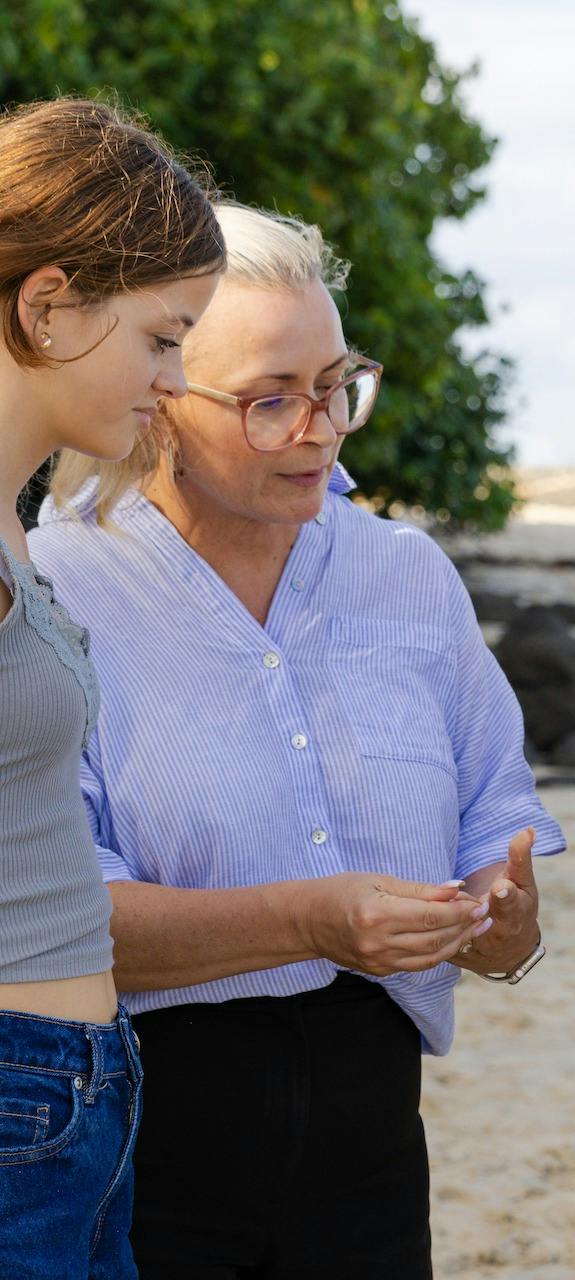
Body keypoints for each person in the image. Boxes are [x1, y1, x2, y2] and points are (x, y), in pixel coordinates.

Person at [31, 201, 565, 1279]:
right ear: (160, 398)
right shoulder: (54, 587)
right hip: (142, 1124)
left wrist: (503, 921)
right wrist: (313, 920)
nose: (319, 427)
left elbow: (496, 815)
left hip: (373, 1132)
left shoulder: (407, 576)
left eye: (335, 385)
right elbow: (59, 919)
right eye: (271, 400)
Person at [0, 97, 225, 1279]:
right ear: (48, 305)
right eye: (161, 335)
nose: (177, 378)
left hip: (73, 1094)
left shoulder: (15, 519)